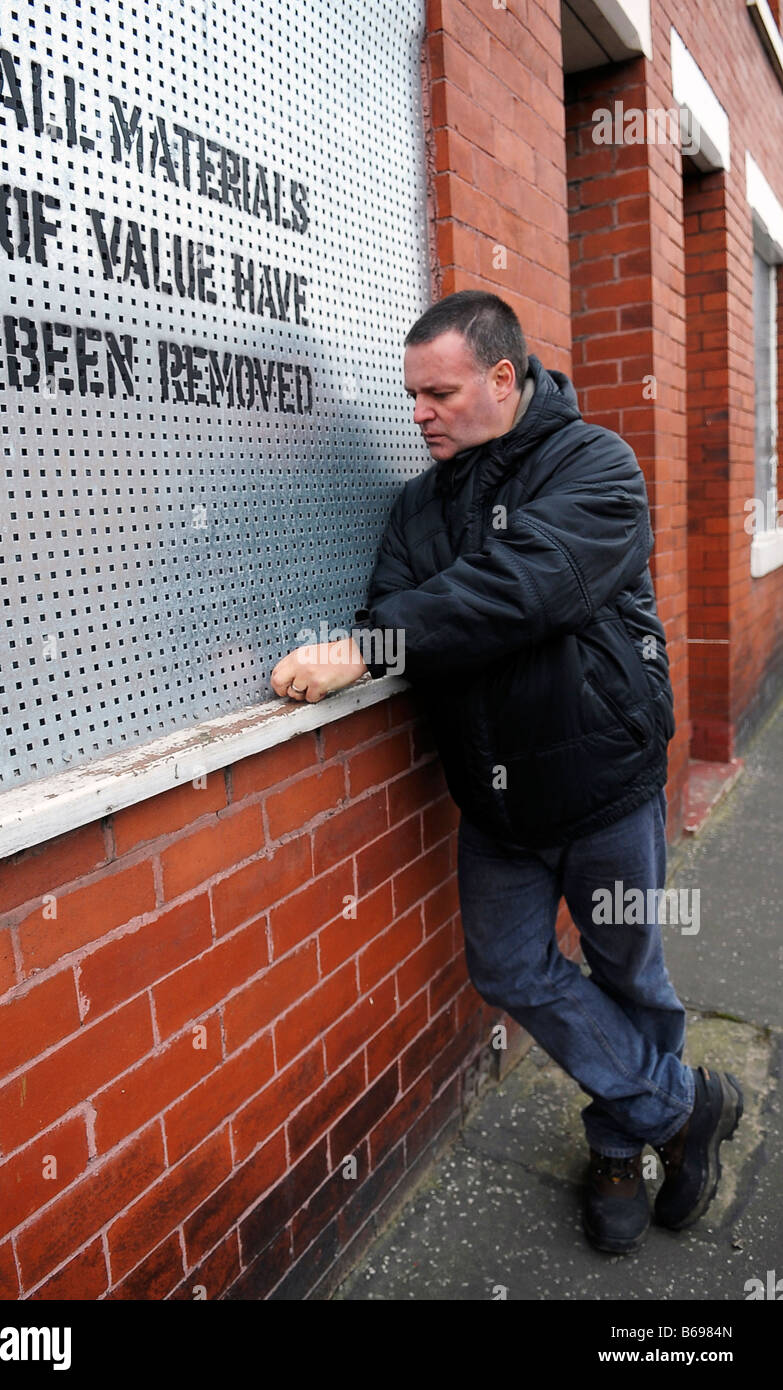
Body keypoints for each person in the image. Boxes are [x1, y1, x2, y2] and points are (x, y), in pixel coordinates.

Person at [270, 289, 743, 1255]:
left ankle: (618, 1144)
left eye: (437, 393)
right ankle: (681, 1106)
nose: (418, 414)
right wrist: (422, 629)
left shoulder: (595, 466)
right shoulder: (416, 506)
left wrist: (378, 644)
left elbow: (526, 584)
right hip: (493, 801)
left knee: (629, 974)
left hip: (603, 785)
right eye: (412, 396)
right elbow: (419, 606)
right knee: (508, 966)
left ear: (502, 376)